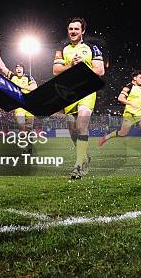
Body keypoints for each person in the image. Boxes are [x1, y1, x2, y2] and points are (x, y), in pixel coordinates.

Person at [52, 18, 105, 179]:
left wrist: (83, 64)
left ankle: (79, 166)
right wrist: (71, 66)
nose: (73, 31)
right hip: (68, 94)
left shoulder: (92, 48)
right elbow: (55, 70)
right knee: (73, 131)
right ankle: (84, 156)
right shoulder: (62, 49)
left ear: (82, 31)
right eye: (70, 29)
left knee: (82, 124)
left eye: (76, 29)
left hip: (87, 91)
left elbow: (100, 70)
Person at [99, 71, 141, 158]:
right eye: (140, 78)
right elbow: (120, 98)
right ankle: (106, 137)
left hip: (140, 113)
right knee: (122, 133)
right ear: (135, 78)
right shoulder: (128, 87)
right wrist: (130, 103)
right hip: (129, 114)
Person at [0, 49, 37, 132]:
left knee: (29, 128)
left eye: (20, 68)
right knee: (21, 126)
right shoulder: (12, 76)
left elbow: (34, 87)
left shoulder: (28, 77)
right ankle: (23, 143)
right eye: (17, 68)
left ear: (23, 70)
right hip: (19, 105)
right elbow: (2, 68)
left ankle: (29, 141)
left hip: (29, 104)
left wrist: (22, 86)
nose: (18, 69)